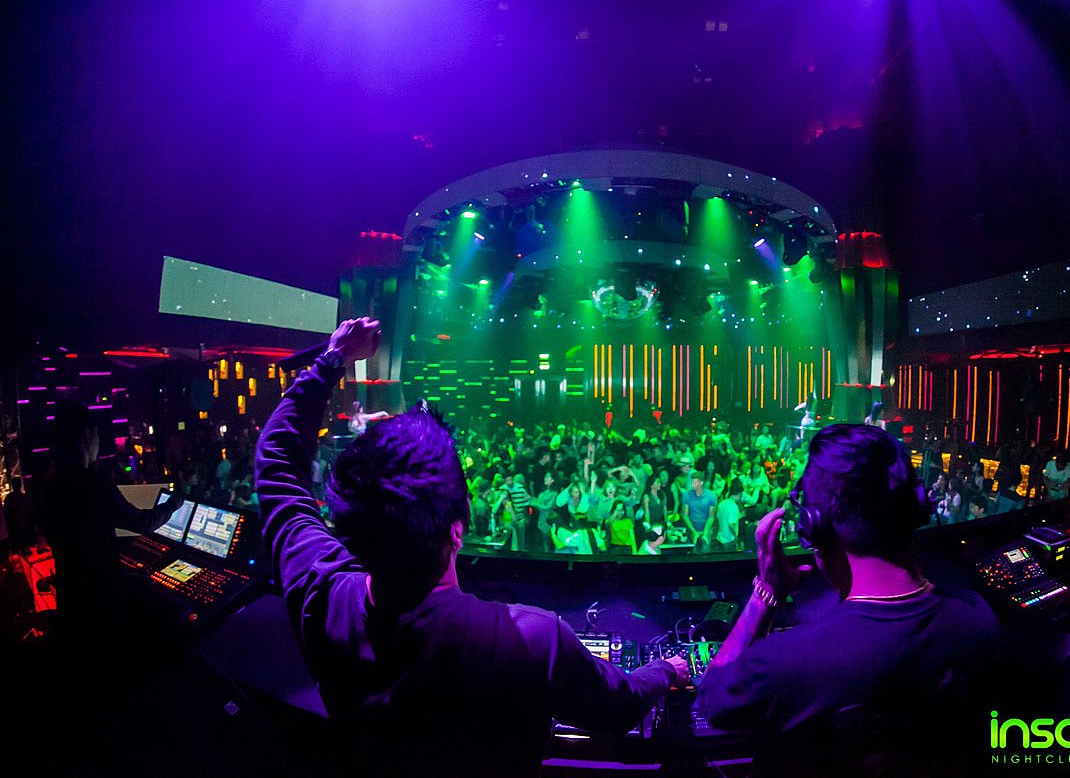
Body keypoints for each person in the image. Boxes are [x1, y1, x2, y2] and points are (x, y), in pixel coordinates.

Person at [254, 318, 689, 776]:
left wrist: (332, 358)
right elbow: (619, 707)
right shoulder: (533, 640)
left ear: (348, 529)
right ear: (458, 528)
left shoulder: (320, 593)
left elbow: (276, 461)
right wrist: (666, 670)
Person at [698, 423, 1004, 776]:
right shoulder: (979, 618)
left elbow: (713, 699)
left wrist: (765, 595)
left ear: (815, 526)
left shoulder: (789, 659)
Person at [36, 401, 188, 660]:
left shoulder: (51, 484)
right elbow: (142, 523)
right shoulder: (91, 483)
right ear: (86, 435)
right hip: (102, 607)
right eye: (97, 434)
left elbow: (81, 546)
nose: (98, 442)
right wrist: (175, 503)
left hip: (72, 599)